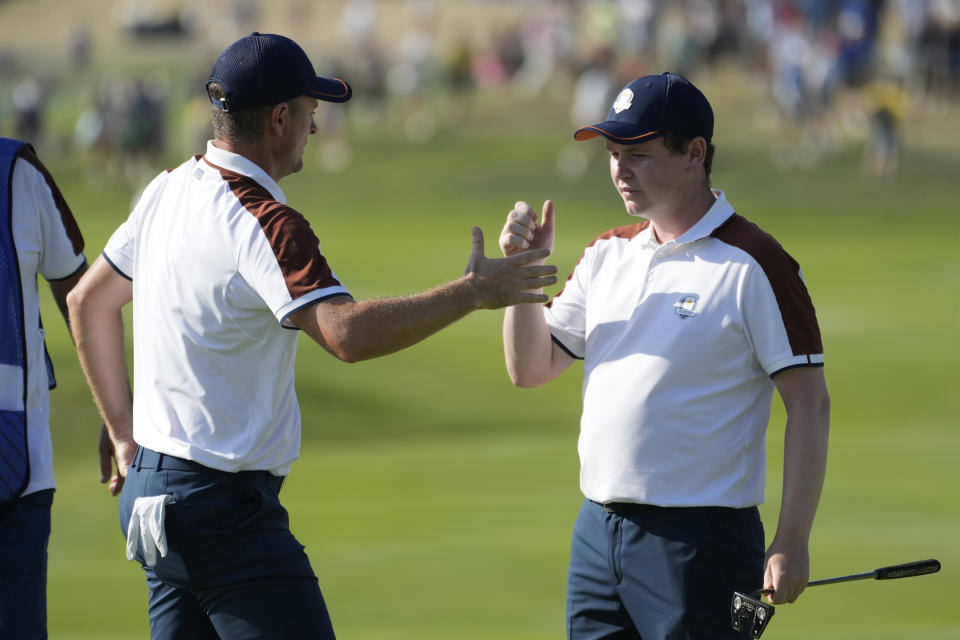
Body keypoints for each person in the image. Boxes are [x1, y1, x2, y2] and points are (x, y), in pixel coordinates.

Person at [66, 32, 556, 640]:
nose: (315, 129)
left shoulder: (168, 188)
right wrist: (473, 292)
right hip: (222, 513)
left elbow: (88, 303)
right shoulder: (266, 220)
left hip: (150, 499)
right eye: (309, 113)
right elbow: (345, 333)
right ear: (278, 119)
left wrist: (123, 435)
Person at [498, 72, 830, 639]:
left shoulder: (754, 262)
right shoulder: (607, 253)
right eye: (612, 154)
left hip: (701, 541)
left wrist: (791, 539)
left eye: (639, 154)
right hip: (598, 531)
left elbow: (809, 405)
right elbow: (529, 369)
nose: (620, 170)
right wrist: (523, 280)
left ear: (694, 154)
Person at [0, 137, 87, 638]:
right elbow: (80, 298)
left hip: (18, 479)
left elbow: (81, 299)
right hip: (18, 465)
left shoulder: (23, 173)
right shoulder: (20, 173)